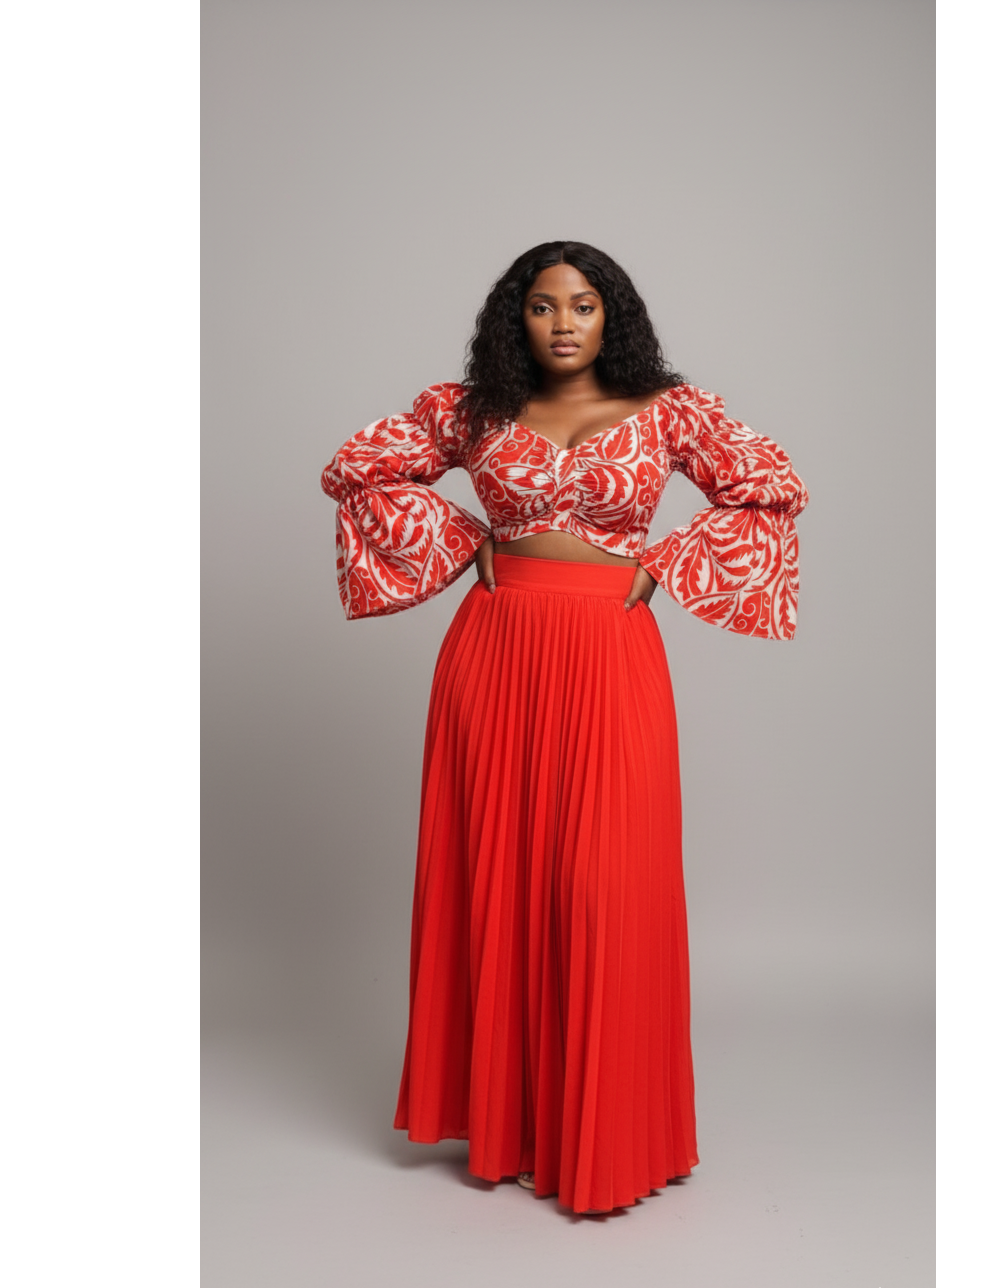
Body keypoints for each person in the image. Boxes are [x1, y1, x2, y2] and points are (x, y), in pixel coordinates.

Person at [320, 241, 808, 1215]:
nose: (563, 323)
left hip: (608, 653)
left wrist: (664, 562)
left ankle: (608, 1133)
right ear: (518, 319)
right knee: (499, 874)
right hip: (495, 653)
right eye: (542, 306)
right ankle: (508, 1128)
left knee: (598, 884)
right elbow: (355, 469)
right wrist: (463, 541)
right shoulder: (474, 412)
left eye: (583, 304)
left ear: (611, 313)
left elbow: (770, 484)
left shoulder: (672, 411)